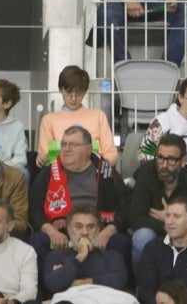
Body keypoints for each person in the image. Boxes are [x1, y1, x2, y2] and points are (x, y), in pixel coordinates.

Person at [28, 127, 130, 268]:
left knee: (121, 242)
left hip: (98, 228)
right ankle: (46, 288)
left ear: (88, 149)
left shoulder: (107, 173)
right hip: (62, 230)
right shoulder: (48, 173)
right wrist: (52, 232)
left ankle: (115, 285)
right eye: (63, 144)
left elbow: (126, 208)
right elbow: (35, 211)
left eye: (73, 145)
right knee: (37, 240)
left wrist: (108, 231)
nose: (66, 149)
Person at [126, 134, 187, 260]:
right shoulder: (146, 173)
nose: (164, 165)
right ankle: (144, 280)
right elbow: (135, 218)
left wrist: (182, 224)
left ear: (183, 161)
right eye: (160, 158)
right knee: (142, 237)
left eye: (171, 159)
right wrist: (168, 223)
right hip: (155, 231)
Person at [36, 66, 118, 167]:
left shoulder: (98, 116)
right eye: (69, 93)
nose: (73, 98)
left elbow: (111, 154)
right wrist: (41, 158)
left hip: (93, 172)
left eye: (79, 94)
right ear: (61, 90)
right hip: (60, 173)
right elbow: (45, 154)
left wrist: (100, 166)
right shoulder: (49, 120)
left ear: (85, 91)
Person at [40, 207, 129, 296]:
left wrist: (80, 283)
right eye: (78, 227)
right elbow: (53, 284)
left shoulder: (111, 256)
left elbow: (119, 280)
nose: (85, 232)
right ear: (68, 230)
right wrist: (80, 256)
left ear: (98, 230)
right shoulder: (55, 256)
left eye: (90, 227)